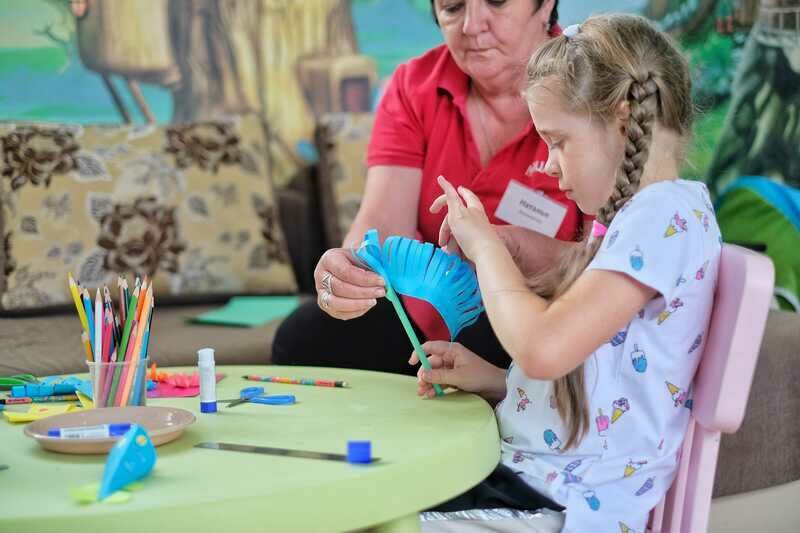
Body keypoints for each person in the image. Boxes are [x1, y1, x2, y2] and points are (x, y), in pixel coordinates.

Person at [414, 15, 722, 532]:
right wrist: (498, 381)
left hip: (560, 505)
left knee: (378, 513)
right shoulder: (653, 216)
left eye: (557, 141)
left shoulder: (663, 215)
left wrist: (487, 248)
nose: (549, 165)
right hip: (543, 484)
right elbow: (614, 379)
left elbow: (543, 349)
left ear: (622, 118)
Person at [273, 0, 588, 376]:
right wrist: (347, 271)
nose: (471, 25)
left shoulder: (590, 82)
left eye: (496, 1)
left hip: (539, 311)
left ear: (546, 4)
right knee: (302, 338)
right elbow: (381, 226)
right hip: (426, 312)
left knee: (496, 341)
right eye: (452, 7)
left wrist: (505, 246)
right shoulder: (414, 84)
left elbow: (609, 258)